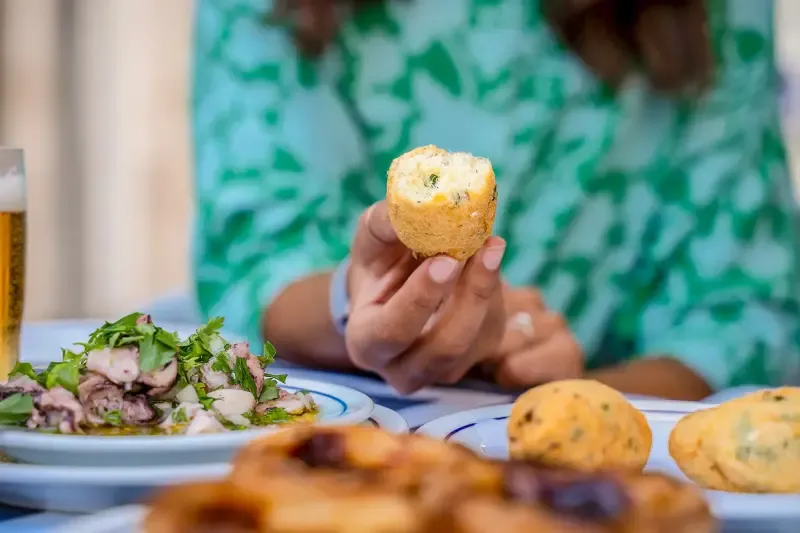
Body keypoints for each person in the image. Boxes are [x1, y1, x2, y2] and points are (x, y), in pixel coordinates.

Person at [191, 0, 800, 400]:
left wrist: (560, 403)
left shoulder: (723, 14)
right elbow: (259, 261)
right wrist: (359, 302)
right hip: (324, 456)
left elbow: (740, 318)